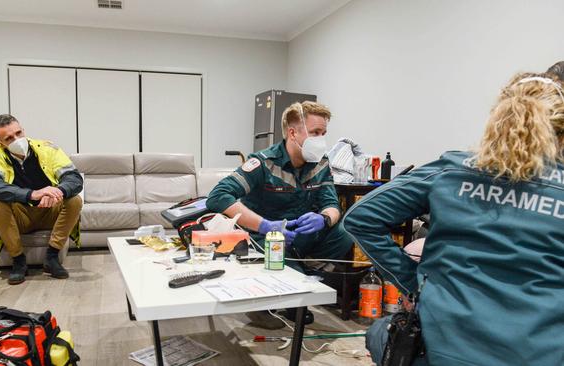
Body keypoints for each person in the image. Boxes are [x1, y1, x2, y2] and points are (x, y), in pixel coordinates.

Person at [343, 72, 564, 365]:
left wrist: (412, 284)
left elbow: (361, 217)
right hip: (540, 352)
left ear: (497, 120)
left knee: (380, 332)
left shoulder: (452, 168)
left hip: (442, 348)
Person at [206, 101, 353, 324]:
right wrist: (266, 225)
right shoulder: (263, 162)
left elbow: (333, 206)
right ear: (292, 132)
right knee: (283, 283)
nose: (321, 140)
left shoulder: (321, 164)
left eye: (323, 133)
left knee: (346, 231)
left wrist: (324, 218)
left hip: (298, 238)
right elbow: (218, 197)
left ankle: (299, 279)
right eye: (315, 132)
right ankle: (270, 299)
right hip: (264, 240)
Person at [0, 114, 83, 285]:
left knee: (75, 200)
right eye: (9, 138)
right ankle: (19, 261)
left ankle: (52, 257)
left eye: (19, 133)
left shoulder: (47, 148)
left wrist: (58, 191)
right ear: (0, 142)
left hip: (49, 211)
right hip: (21, 216)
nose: (17, 139)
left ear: (23, 130)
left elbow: (74, 178)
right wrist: (32, 194)